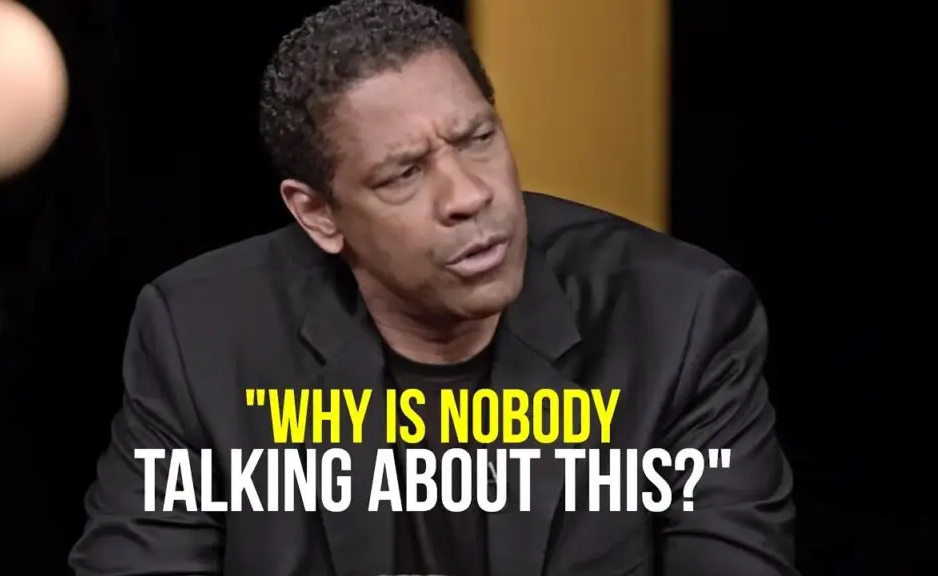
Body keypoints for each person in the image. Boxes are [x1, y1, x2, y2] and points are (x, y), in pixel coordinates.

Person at [69, 0, 796, 574]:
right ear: (318, 214)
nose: (469, 196)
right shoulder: (202, 337)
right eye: (405, 173)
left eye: (478, 138)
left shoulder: (680, 319)